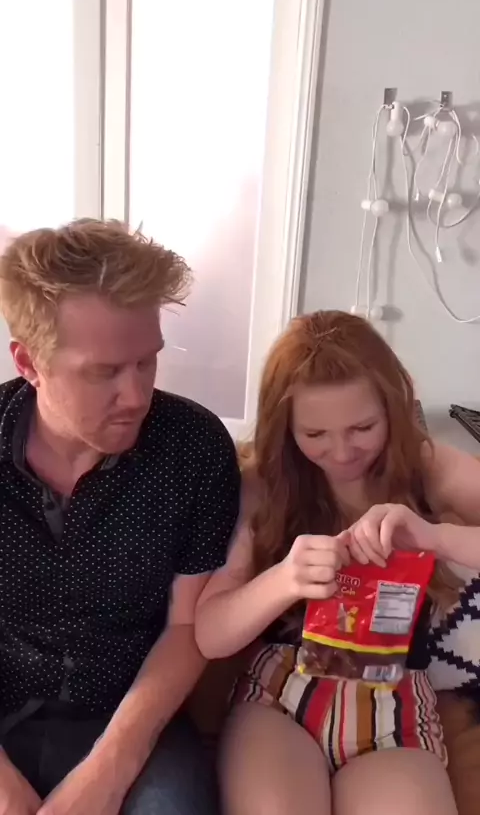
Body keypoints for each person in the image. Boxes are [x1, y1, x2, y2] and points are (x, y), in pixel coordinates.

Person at [195, 309, 480, 815]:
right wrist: (284, 579)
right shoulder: (263, 483)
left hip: (394, 701)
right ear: (286, 428)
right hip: (281, 698)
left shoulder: (425, 466)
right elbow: (211, 633)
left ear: (392, 409)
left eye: (362, 427)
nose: (342, 452)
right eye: (315, 434)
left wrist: (435, 536)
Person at [0, 219, 240, 815]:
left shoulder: (194, 448)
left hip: (131, 719)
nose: (136, 397)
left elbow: (187, 627)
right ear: (29, 362)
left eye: (146, 363)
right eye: (103, 372)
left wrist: (109, 773)